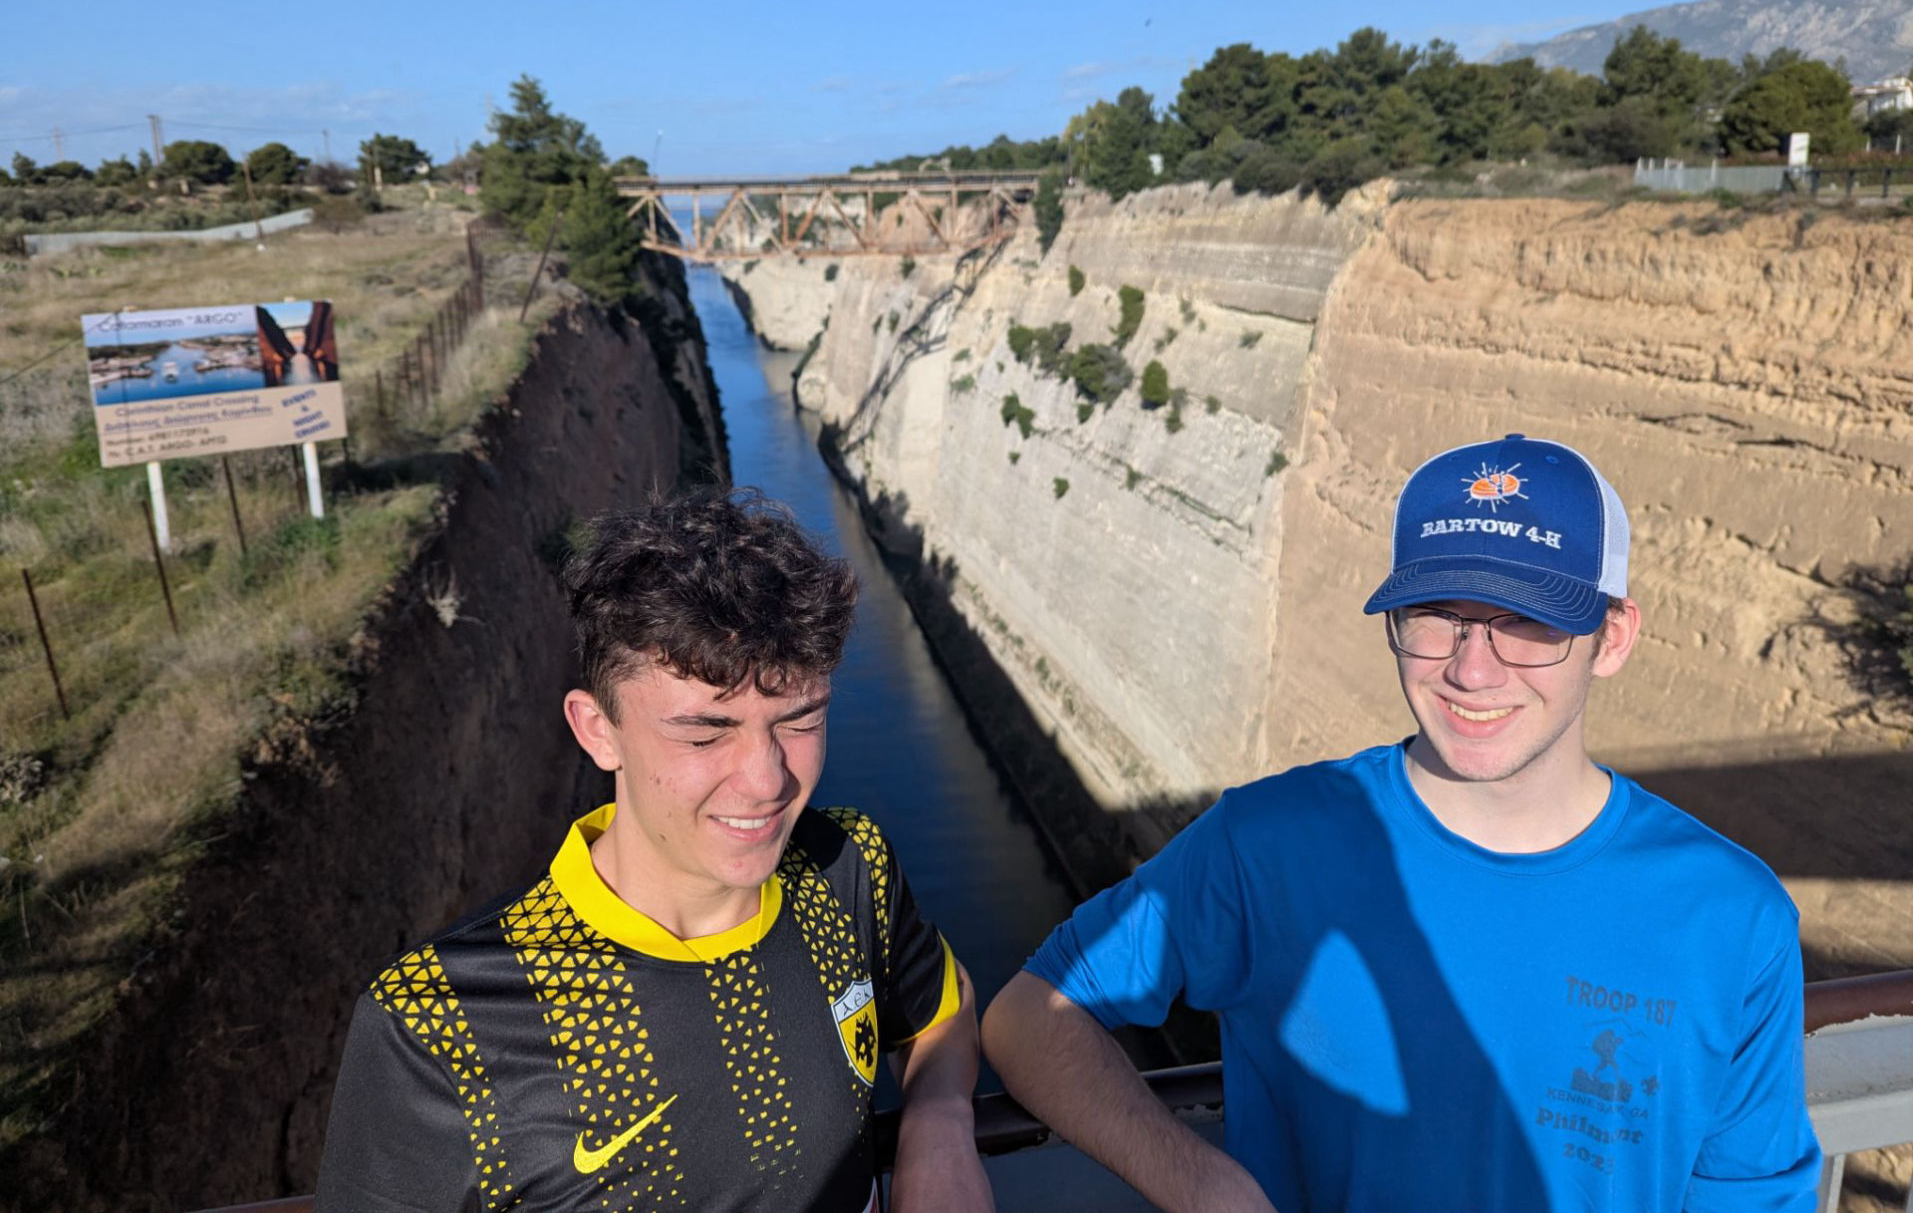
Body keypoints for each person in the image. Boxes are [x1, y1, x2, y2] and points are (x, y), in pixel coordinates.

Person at [982, 433, 1820, 1211]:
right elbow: (1030, 1016)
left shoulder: (1731, 916)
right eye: (1435, 616)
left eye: (1525, 623)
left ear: (1611, 637)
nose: (1470, 669)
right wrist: (1199, 1181)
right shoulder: (1269, 842)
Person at [317, 487, 991, 1213]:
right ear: (596, 730)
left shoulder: (848, 866)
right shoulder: (433, 1022)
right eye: (705, 734)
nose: (767, 780)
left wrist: (939, 1120)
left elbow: (939, 1017)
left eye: (798, 721)